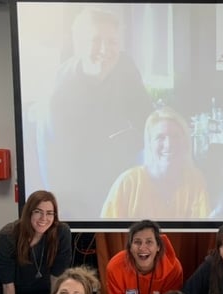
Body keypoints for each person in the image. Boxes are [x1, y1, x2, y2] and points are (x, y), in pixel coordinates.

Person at [37, 7, 153, 219]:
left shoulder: (125, 66)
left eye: (112, 42)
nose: (104, 49)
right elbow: (54, 164)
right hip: (78, 184)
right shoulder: (58, 94)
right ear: (78, 44)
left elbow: (147, 119)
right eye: (96, 40)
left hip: (118, 172)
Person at [100, 107, 210, 219]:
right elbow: (107, 229)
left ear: (185, 142)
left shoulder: (195, 181)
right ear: (149, 144)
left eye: (176, 136)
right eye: (160, 137)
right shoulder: (128, 183)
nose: (169, 144)